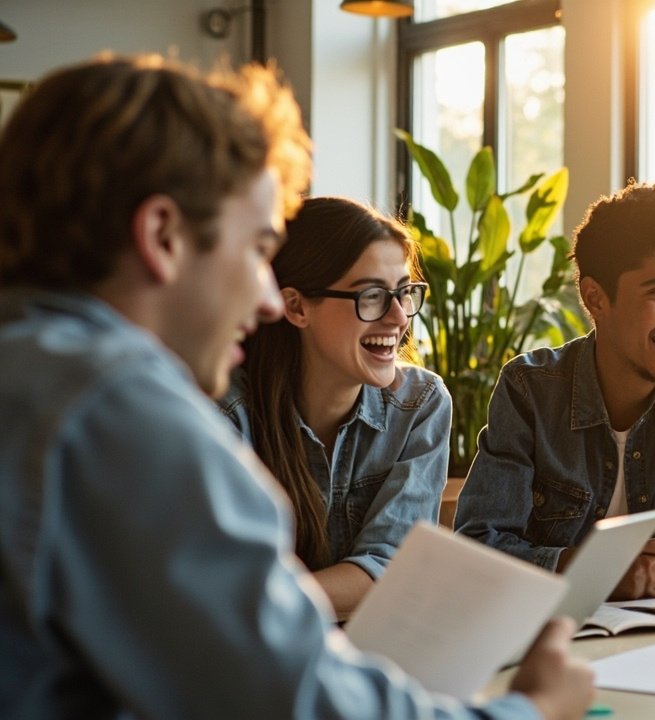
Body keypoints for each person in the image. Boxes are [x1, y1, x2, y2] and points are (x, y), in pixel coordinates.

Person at [0, 54, 592, 719]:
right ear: (161, 235)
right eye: (255, 249)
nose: (265, 299)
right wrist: (534, 710)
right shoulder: (117, 408)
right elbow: (296, 702)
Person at [454, 181, 655, 600]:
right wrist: (592, 571)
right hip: (546, 633)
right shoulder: (530, 390)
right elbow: (479, 545)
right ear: (595, 298)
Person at [219, 196, 449, 619]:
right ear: (296, 306)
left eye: (404, 292)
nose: (398, 317)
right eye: (373, 296)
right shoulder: (227, 414)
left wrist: (264, 600)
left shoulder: (419, 404)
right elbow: (220, 587)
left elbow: (389, 566)